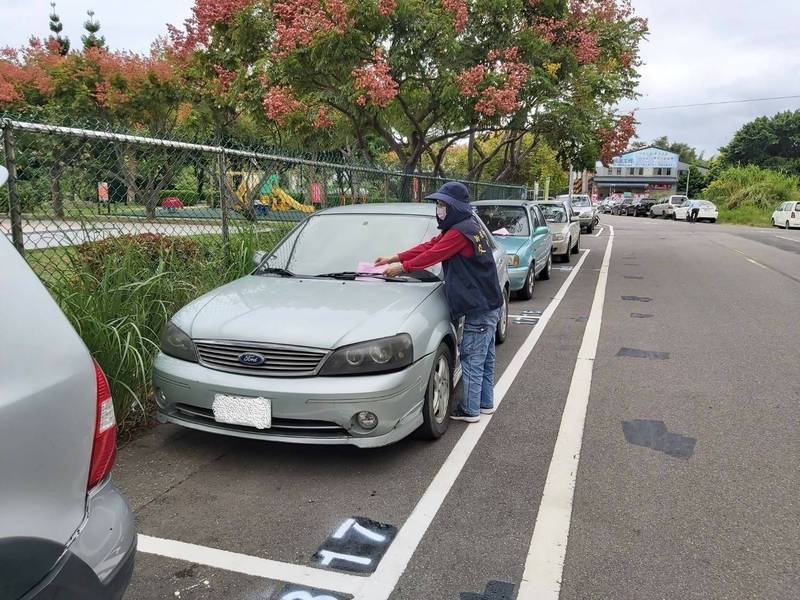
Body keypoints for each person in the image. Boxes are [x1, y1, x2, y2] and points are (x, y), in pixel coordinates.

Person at [374, 181, 504, 423]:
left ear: (455, 207)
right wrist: (395, 256)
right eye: (438, 204)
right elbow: (431, 245)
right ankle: (485, 403)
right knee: (484, 358)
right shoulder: (469, 226)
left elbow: (434, 255)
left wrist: (402, 267)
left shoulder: (458, 233)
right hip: (490, 303)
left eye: (443, 204)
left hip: (479, 307)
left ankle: (470, 410)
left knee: (472, 358)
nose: (439, 209)